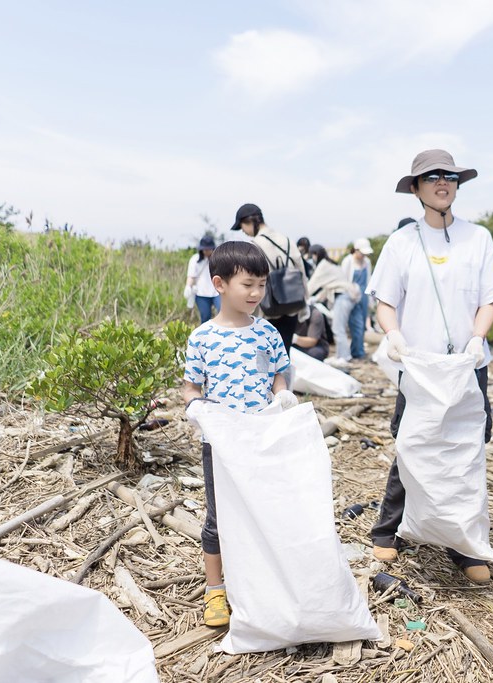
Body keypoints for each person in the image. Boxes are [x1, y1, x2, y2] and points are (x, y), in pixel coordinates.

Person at [367, 149, 493, 584]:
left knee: (466, 448)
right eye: (431, 177)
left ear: (457, 184)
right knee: (414, 440)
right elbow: (385, 300)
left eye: (448, 176)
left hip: (466, 363)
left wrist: (477, 339)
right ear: (416, 189)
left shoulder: (478, 238)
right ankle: (390, 529)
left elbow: (489, 299)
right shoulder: (402, 242)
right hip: (420, 364)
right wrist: (394, 335)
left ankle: (463, 544)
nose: (442, 182)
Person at [181, 241, 295, 627]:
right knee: (218, 517)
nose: (256, 293)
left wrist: (283, 395)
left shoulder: (267, 333)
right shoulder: (202, 338)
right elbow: (191, 387)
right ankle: (216, 592)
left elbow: (279, 374)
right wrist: (194, 407)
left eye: (261, 285)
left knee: (263, 508)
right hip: (221, 442)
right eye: (247, 284)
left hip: (263, 437)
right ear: (219, 284)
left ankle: (262, 582)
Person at [229, 203, 309, 353]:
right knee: (285, 354)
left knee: (266, 356)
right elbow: (301, 272)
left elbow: (250, 280)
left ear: (250, 221)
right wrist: (305, 304)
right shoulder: (287, 240)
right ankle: (285, 377)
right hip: (293, 305)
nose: (244, 232)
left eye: (242, 227)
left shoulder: (254, 245)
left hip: (269, 308)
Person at [306, 245, 360, 367]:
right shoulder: (332, 264)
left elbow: (312, 285)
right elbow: (327, 288)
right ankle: (340, 355)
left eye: (312, 255)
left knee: (338, 327)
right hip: (347, 295)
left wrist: (302, 298)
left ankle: (344, 357)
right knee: (340, 327)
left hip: (343, 296)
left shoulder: (323, 265)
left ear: (315, 254)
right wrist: (315, 298)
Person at [340, 238, 375, 361]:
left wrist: (371, 299)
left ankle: (357, 350)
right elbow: (343, 280)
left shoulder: (367, 262)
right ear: (356, 250)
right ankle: (358, 352)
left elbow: (369, 279)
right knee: (357, 325)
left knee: (363, 325)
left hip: (364, 296)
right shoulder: (347, 261)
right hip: (352, 296)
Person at [186, 235, 220, 323]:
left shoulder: (218, 259)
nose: (206, 251)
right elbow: (191, 276)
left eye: (209, 249)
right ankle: (205, 336)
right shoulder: (195, 259)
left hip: (217, 292)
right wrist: (188, 286)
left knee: (222, 311)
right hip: (201, 293)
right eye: (204, 249)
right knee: (205, 317)